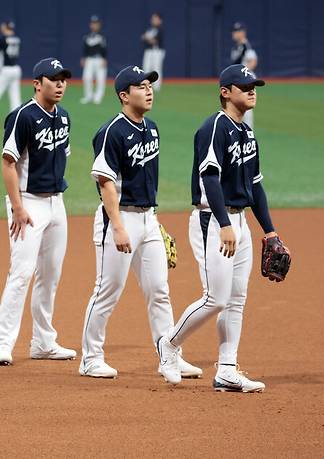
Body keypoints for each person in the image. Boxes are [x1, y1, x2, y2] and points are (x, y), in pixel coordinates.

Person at [157, 64, 289, 392]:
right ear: (225, 92)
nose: (251, 90)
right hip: (212, 220)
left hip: (238, 222)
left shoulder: (247, 132)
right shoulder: (214, 128)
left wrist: (269, 231)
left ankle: (227, 369)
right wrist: (225, 223)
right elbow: (209, 177)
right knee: (215, 298)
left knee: (236, 299)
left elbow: (255, 186)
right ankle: (169, 345)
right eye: (244, 86)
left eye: (253, 85)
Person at [80, 65, 201, 379]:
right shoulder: (111, 132)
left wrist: (153, 222)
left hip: (147, 219)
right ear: (124, 95)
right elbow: (106, 182)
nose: (148, 90)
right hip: (118, 219)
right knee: (107, 291)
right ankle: (90, 358)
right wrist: (118, 225)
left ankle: (169, 355)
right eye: (141, 86)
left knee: (159, 290)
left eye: (150, 85)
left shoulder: (152, 128)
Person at [0, 58, 76, 366]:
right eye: (54, 79)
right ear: (37, 84)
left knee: (50, 275)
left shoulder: (64, 117)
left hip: (56, 203)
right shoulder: (22, 117)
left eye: (63, 79)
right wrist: (17, 207)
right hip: (27, 204)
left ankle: (43, 342)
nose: (60, 84)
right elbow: (8, 162)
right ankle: (3, 343)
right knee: (22, 273)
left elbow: (62, 155)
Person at [230, 22, 258, 127]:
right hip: (239, 80)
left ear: (242, 33)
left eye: (237, 31)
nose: (234, 34)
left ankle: (248, 133)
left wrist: (243, 72)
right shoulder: (238, 47)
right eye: (234, 31)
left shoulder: (246, 46)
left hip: (245, 80)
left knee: (245, 105)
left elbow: (253, 61)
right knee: (236, 104)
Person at [80, 15, 107, 104]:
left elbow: (105, 49)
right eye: (93, 24)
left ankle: (98, 97)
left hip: (99, 59)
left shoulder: (102, 36)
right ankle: (88, 96)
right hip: (89, 59)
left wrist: (104, 58)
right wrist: (83, 58)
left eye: (96, 24)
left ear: (99, 25)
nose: (94, 25)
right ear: (90, 25)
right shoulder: (87, 36)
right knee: (87, 78)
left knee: (100, 79)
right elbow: (85, 49)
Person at [141, 13, 165, 92]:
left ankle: (157, 88)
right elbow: (143, 38)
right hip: (148, 51)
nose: (153, 20)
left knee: (156, 69)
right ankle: (146, 86)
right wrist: (147, 38)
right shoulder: (150, 29)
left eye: (155, 18)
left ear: (159, 20)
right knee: (146, 68)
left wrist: (147, 38)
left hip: (157, 51)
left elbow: (155, 41)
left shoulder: (160, 29)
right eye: (153, 18)